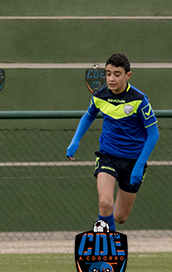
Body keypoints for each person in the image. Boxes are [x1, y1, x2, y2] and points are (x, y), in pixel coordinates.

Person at [67, 53, 159, 231]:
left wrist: (140, 164)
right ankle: (107, 245)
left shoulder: (139, 100)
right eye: (108, 74)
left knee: (120, 216)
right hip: (107, 156)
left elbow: (153, 133)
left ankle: (105, 222)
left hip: (133, 161)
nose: (111, 79)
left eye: (117, 74)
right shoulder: (100, 95)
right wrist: (75, 141)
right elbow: (89, 116)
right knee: (105, 202)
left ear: (127, 75)